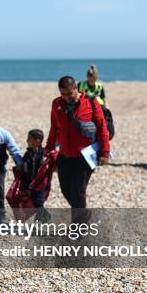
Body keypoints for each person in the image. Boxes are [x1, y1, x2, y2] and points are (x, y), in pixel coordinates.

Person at [45, 76, 110, 222]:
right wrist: (49, 147)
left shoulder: (91, 102)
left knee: (78, 191)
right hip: (64, 155)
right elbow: (54, 127)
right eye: (63, 94)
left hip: (85, 157)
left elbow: (102, 128)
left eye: (70, 93)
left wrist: (105, 153)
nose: (67, 97)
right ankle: (84, 214)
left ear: (76, 88)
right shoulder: (56, 104)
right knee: (66, 190)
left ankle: (78, 229)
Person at [21, 129, 49, 218]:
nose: (27, 140)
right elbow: (24, 168)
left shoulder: (43, 155)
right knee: (34, 202)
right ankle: (46, 216)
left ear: (37, 141)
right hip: (29, 184)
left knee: (38, 202)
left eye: (29, 138)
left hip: (41, 185)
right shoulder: (28, 154)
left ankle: (38, 224)